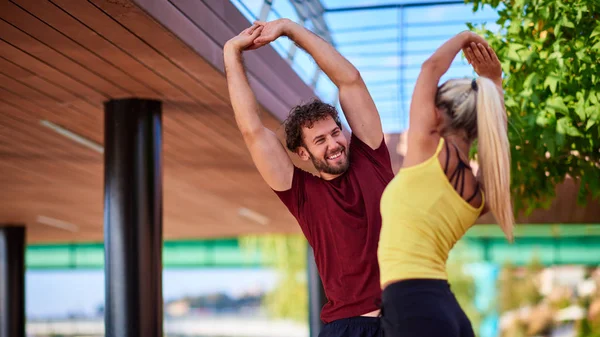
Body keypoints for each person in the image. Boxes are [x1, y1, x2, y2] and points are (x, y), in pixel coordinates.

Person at [223, 19, 393, 337]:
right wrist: (232, 52)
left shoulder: (372, 156)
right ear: (303, 153)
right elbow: (252, 130)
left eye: (335, 132)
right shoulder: (302, 193)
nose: (333, 144)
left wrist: (289, 28)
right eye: (320, 141)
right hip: (347, 329)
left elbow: (350, 81)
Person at [377, 31, 513, 337]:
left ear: (436, 112)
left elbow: (430, 68)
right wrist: (493, 82)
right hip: (440, 308)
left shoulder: (427, 148)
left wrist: (466, 37)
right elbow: (496, 144)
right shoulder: (479, 195)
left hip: (414, 307)